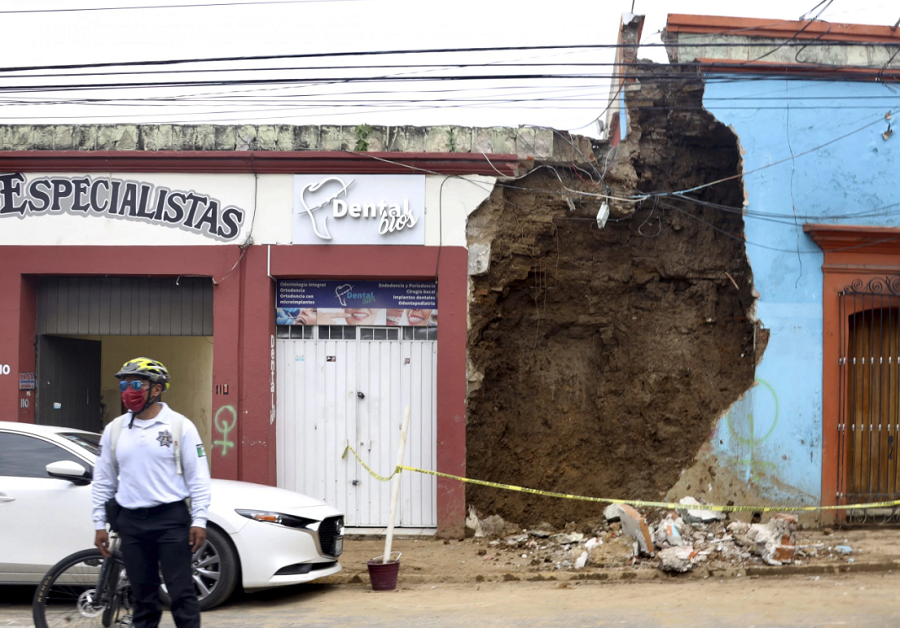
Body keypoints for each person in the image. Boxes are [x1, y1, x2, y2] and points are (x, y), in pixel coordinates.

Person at [92, 357, 211, 628]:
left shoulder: (181, 426)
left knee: (181, 593)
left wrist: (199, 520)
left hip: (171, 519)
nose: (128, 391)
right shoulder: (114, 430)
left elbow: (199, 478)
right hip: (131, 523)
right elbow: (103, 480)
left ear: (156, 389)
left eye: (136, 384)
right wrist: (99, 522)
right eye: (124, 384)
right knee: (143, 598)